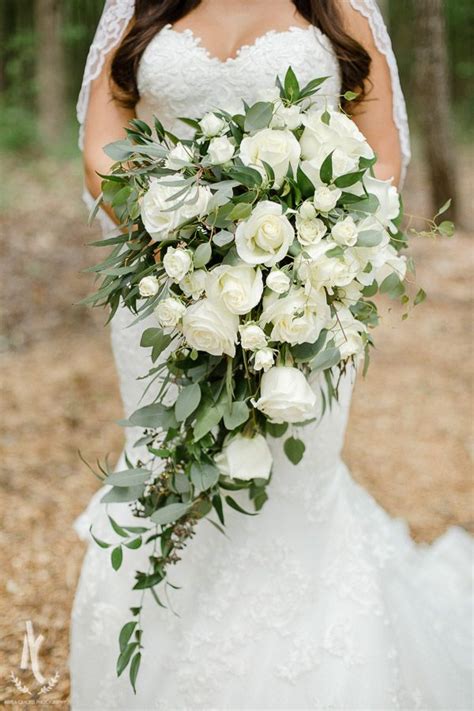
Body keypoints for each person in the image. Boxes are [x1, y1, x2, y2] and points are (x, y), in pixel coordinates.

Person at [70, 1, 473, 709]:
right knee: (170, 473)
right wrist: (165, 237)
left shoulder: (339, 11)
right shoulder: (143, 6)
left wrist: (306, 241)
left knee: (286, 487)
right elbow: (105, 133)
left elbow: (380, 155)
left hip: (302, 295)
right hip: (163, 296)